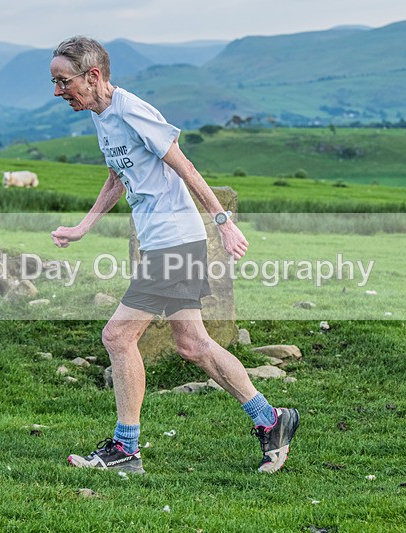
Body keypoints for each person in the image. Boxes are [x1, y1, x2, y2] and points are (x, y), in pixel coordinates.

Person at [49, 36, 298, 474]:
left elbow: (183, 164)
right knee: (193, 344)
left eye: (63, 82)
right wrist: (83, 227)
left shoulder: (132, 110)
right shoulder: (102, 116)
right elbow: (118, 177)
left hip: (174, 241)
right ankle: (271, 420)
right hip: (165, 242)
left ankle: (126, 450)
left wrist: (222, 220)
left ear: (93, 76)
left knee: (117, 337)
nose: (58, 92)